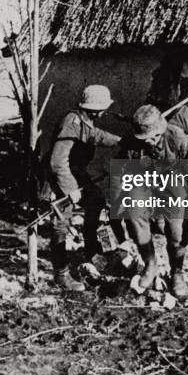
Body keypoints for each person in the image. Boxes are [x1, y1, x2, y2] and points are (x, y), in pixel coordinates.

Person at [113, 105, 188, 298]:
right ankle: (150, 265)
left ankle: (176, 272)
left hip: (172, 181)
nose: (150, 142)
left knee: (176, 229)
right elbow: (119, 170)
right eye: (145, 139)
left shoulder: (176, 137)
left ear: (161, 130)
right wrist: (116, 197)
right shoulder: (131, 141)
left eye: (154, 137)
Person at [49, 85, 121, 290]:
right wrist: (69, 188)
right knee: (61, 221)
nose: (105, 112)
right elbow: (56, 162)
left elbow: (95, 135)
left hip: (75, 174)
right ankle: (61, 274)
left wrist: (120, 141)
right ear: (96, 109)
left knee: (96, 200)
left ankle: (91, 249)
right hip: (59, 177)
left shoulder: (85, 121)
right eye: (103, 108)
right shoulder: (71, 122)